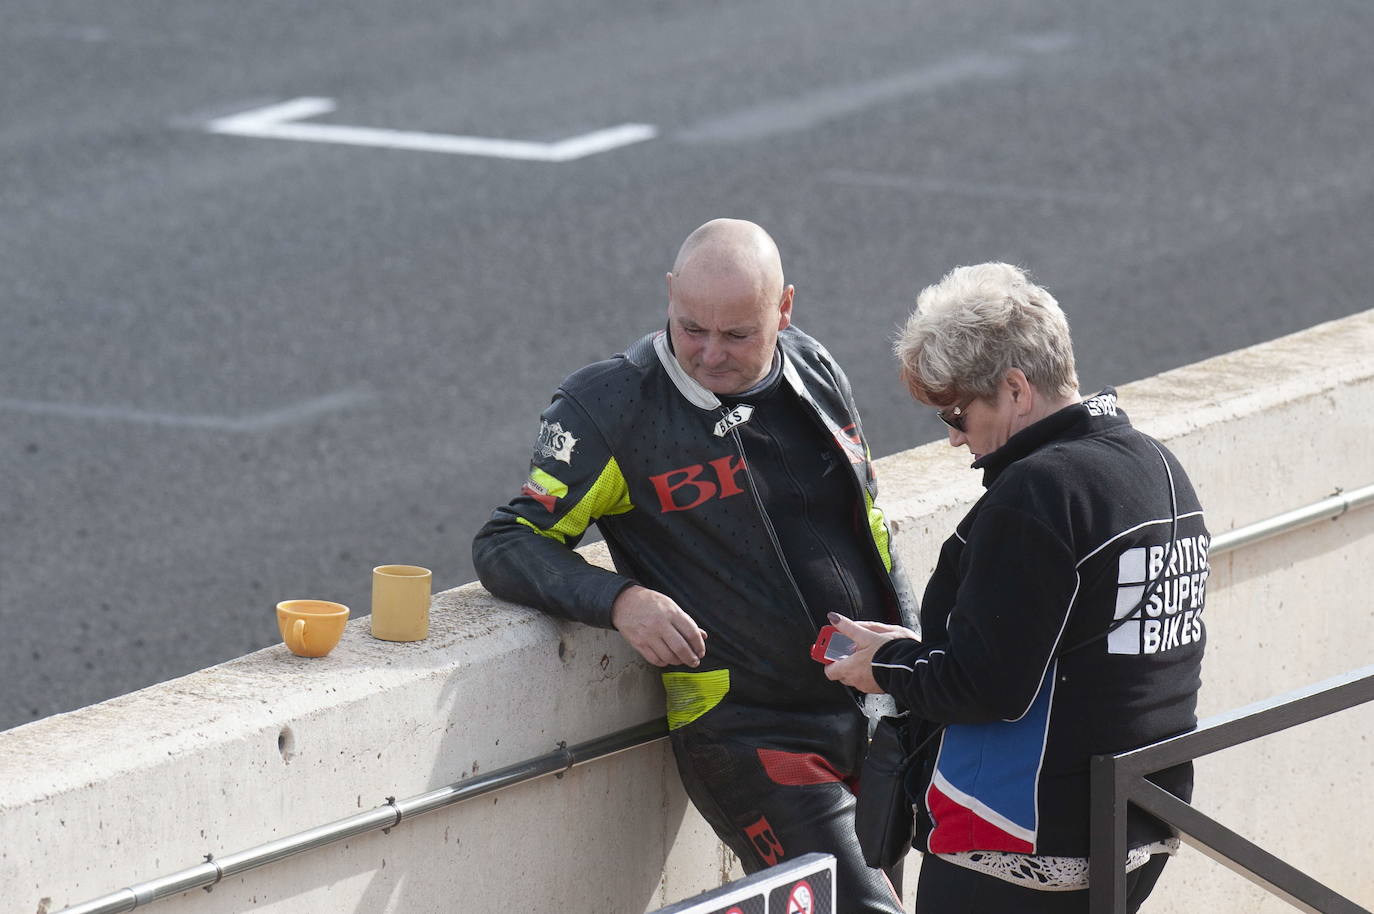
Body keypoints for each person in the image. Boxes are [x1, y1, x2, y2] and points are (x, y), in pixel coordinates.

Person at [473, 218, 917, 913]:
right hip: (752, 733)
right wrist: (621, 600)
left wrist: (911, 654)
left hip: (876, 710)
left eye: (737, 334)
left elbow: (872, 527)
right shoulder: (609, 407)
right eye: (691, 328)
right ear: (670, 294)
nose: (710, 354)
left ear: (784, 309)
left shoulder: (813, 365)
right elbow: (507, 541)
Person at [825, 262, 1207, 913]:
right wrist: (918, 651)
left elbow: (987, 686)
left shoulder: (1038, 492)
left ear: (1015, 389)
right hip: (1139, 823)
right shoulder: (1157, 465)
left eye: (957, 412)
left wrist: (887, 664)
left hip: (1021, 844)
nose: (954, 437)